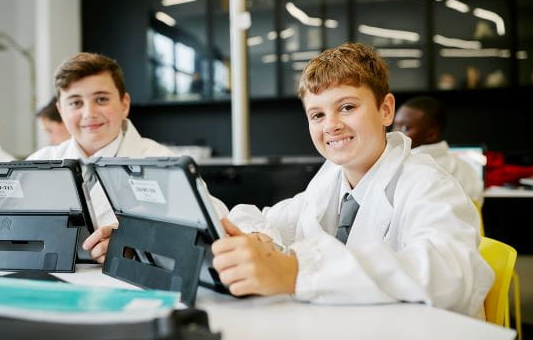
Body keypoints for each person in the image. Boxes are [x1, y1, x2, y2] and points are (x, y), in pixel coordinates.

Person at [210, 43, 493, 317]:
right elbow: (271, 219)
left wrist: (298, 272)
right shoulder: (331, 176)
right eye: (317, 114)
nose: (331, 125)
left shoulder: (428, 183)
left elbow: (450, 273)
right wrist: (261, 239)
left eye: (347, 107)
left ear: (385, 110)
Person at [26, 52, 227, 262]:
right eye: (75, 103)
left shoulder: (163, 164)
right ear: (61, 110)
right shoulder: (39, 163)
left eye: (101, 99)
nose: (89, 113)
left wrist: (141, 245)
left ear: (124, 104)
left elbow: (219, 229)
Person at [392, 96, 484, 205]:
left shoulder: (408, 168)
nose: (395, 133)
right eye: (395, 126)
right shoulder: (467, 168)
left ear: (431, 135)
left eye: (405, 128)